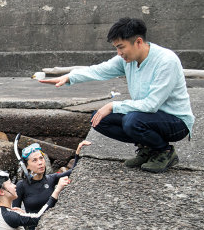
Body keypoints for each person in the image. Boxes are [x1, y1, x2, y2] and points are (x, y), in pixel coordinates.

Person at [41, 17, 194, 173]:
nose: (119, 53)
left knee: (131, 120)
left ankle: (165, 151)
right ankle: (148, 146)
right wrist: (69, 77)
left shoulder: (166, 61)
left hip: (176, 122)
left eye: (121, 47)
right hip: (146, 117)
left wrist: (113, 105)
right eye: (116, 48)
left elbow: (151, 104)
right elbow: (99, 70)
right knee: (99, 120)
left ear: (138, 42)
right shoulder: (128, 60)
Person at [12, 141, 91, 230]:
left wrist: (78, 153)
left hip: (54, 225)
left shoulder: (51, 179)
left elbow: (74, 171)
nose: (40, 162)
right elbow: (15, 219)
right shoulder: (21, 186)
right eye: (34, 160)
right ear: (26, 166)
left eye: (41, 158)